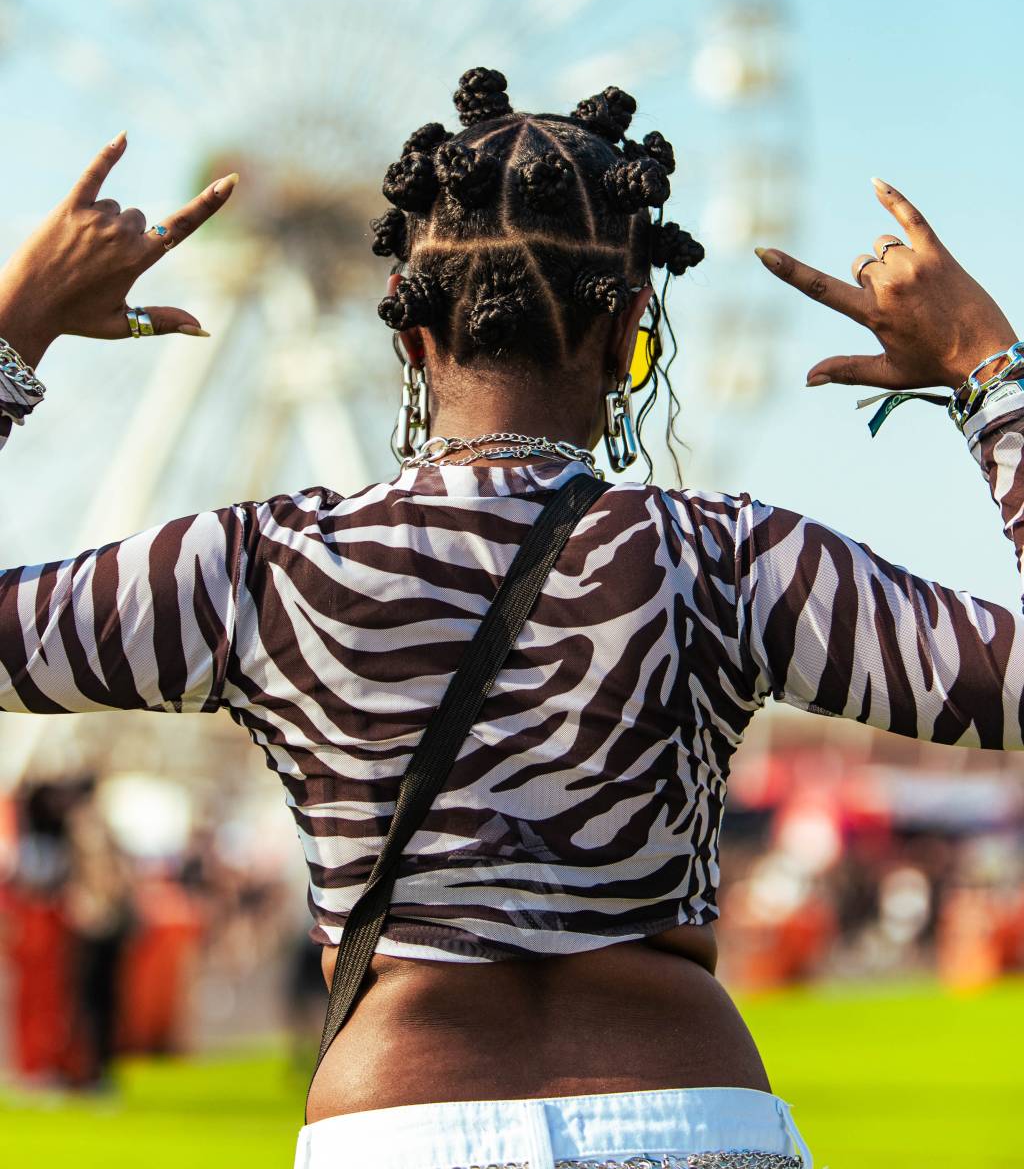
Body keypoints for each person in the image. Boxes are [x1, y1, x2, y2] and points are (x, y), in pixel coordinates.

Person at [1, 70, 1022, 1169]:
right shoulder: (726, 556)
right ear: (633, 323)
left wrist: (17, 328)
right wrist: (987, 371)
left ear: (408, 329)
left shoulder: (266, 565)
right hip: (691, 1112)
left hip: (399, 1121)